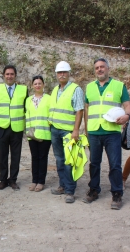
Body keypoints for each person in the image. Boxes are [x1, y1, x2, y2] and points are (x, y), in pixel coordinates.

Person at [83, 58, 130, 210]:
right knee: (94, 164)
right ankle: (94, 190)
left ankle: (117, 194)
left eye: (102, 67)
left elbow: (128, 106)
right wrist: (86, 129)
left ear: (108, 69)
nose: (99, 69)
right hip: (94, 132)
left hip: (112, 133)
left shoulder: (119, 86)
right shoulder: (90, 87)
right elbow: (86, 109)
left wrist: (127, 116)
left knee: (115, 165)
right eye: (97, 67)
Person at [49, 61, 84, 203]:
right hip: (55, 130)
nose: (62, 74)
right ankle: (62, 185)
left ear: (69, 73)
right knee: (59, 159)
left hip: (68, 132)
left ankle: (70, 190)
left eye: (64, 72)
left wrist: (76, 130)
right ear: (56, 74)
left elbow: (79, 110)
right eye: (59, 72)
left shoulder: (76, 89)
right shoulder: (55, 90)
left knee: (69, 161)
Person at [0, 65, 28, 190]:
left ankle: (13, 180)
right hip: (2, 127)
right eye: (7, 74)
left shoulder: (23, 89)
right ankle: (3, 180)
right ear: (3, 75)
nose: (9, 76)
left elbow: (26, 107)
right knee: (3, 155)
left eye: (12, 74)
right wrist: (4, 118)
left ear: (15, 76)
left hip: (17, 127)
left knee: (16, 155)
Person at [25, 75, 51, 192]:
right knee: (34, 158)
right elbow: (27, 116)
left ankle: (41, 182)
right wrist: (28, 131)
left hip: (45, 134)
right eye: (35, 84)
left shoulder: (49, 99)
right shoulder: (28, 100)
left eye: (39, 83)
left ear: (43, 85)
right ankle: (34, 180)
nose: (37, 85)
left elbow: (51, 115)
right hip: (32, 134)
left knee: (42, 157)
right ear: (32, 86)